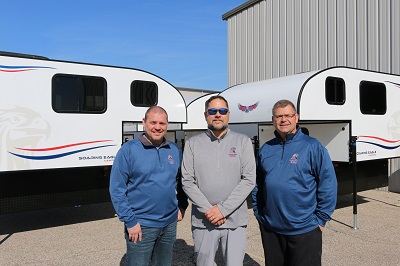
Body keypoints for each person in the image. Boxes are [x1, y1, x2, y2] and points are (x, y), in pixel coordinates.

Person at [252, 99, 338, 266]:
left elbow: (328, 184)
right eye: (279, 116)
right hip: (272, 230)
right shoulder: (266, 149)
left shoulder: (312, 146)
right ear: (273, 120)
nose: (284, 120)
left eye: (288, 115)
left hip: (304, 230)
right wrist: (259, 213)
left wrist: (321, 219)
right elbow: (257, 184)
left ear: (296, 118)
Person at [181, 95, 256, 266]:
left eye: (222, 111)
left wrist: (222, 210)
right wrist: (209, 210)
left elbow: (249, 179)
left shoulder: (243, 142)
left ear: (228, 114)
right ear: (205, 114)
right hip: (204, 221)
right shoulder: (192, 143)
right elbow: (187, 181)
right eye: (212, 111)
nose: (217, 114)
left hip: (235, 221)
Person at [109, 106, 188, 266]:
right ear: (143, 123)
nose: (157, 127)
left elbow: (182, 182)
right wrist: (130, 221)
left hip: (169, 224)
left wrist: (182, 205)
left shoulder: (174, 149)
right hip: (141, 224)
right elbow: (117, 189)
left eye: (162, 123)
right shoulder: (128, 150)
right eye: (153, 122)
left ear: (167, 124)